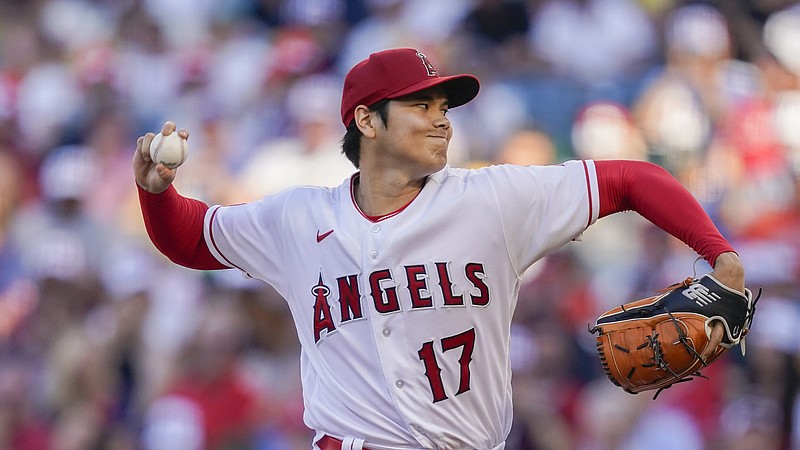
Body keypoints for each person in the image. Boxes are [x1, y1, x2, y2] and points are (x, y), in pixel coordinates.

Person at [133, 48, 745, 450]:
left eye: (443, 106)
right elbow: (193, 237)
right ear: (367, 122)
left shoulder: (492, 200)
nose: (442, 119)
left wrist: (718, 252)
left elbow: (631, 179)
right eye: (420, 105)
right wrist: (155, 192)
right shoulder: (300, 219)